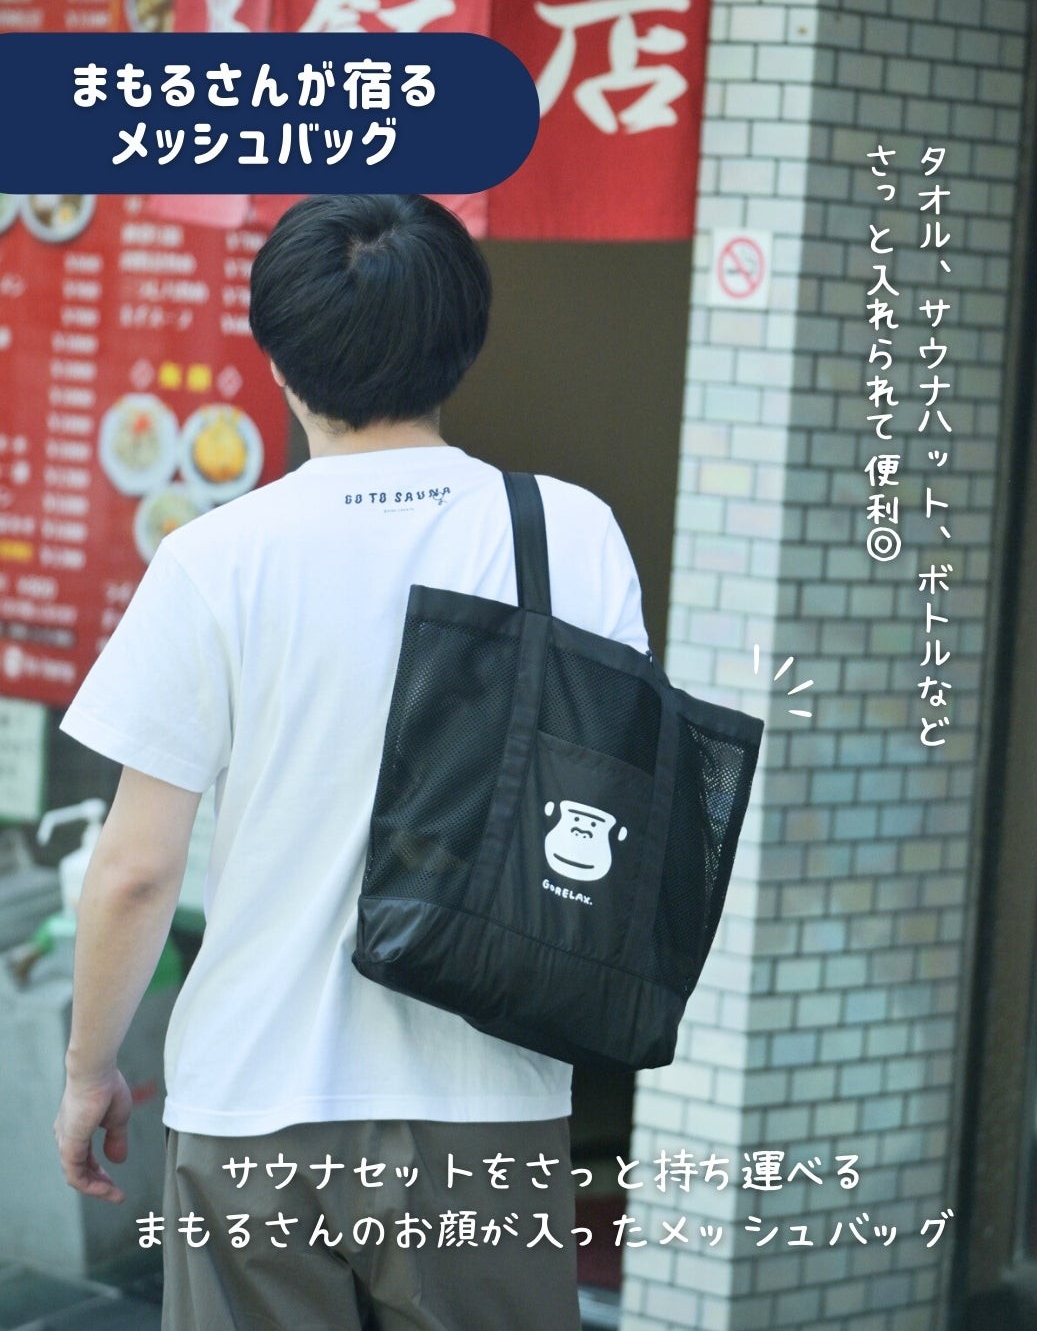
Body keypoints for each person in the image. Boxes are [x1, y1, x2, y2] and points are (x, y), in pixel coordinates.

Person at [54, 194, 648, 1330]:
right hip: (486, 1098)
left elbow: (135, 871)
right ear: (462, 343)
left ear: (279, 360)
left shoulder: (215, 561)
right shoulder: (570, 533)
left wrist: (91, 1071)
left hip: (253, 1100)